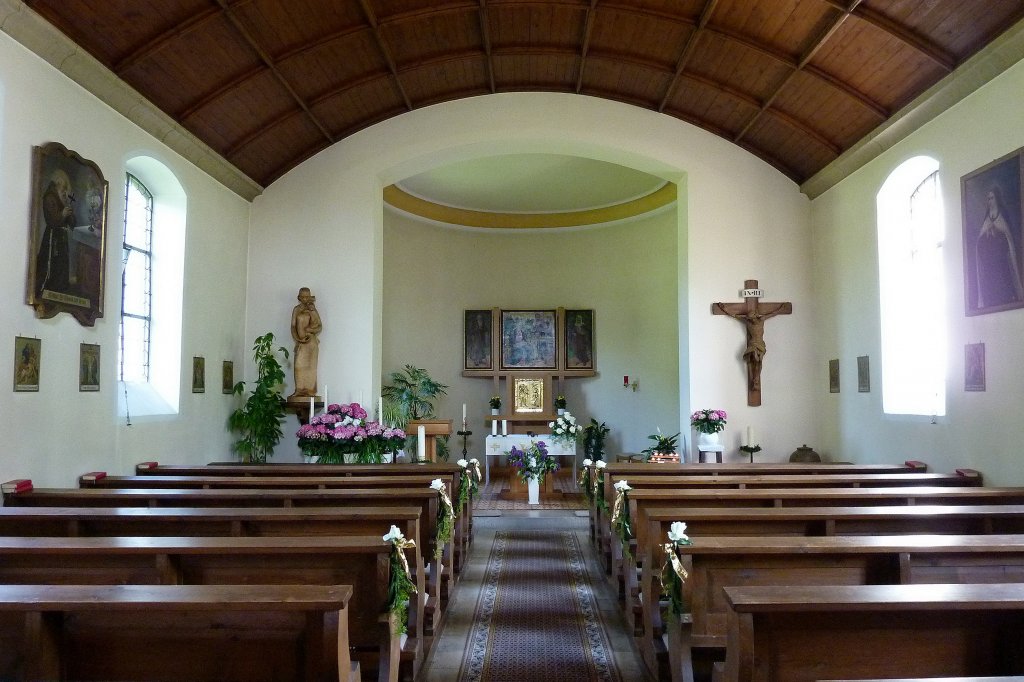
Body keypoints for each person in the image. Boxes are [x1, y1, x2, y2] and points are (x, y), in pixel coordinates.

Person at [714, 302, 789, 392]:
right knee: (754, 357)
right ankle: (755, 378)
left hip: (760, 343)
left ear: (756, 315)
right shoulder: (747, 321)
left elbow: (773, 314)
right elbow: (734, 315)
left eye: (753, 317)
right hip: (753, 343)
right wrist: (724, 309)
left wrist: (781, 308)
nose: (752, 319)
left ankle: (756, 380)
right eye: (750, 318)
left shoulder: (761, 319)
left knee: (758, 361)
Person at [975, 185, 1024, 309]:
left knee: (1004, 280)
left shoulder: (1002, 216)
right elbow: (980, 241)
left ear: (996, 199)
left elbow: (1009, 236)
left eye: (991, 198)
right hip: (990, 261)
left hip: (1002, 258)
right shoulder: (987, 218)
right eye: (988, 199)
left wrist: (998, 230)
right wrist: (987, 232)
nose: (989, 201)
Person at [35, 168, 75, 296]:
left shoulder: (62, 199)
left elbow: (72, 223)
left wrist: (68, 208)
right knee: (52, 263)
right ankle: (50, 288)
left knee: (62, 263)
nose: (64, 191)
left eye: (65, 188)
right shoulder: (50, 197)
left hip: (62, 237)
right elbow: (51, 220)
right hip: (53, 237)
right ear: (57, 184)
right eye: (62, 187)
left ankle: (60, 287)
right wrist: (62, 214)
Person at [289, 287, 322, 399]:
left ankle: (310, 391)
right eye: (302, 296)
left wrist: (310, 330)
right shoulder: (296, 309)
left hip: (311, 342)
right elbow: (293, 326)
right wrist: (298, 338)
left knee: (310, 367)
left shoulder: (312, 310)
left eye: (307, 296)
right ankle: (299, 390)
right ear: (299, 297)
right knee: (299, 365)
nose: (305, 299)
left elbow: (319, 326)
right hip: (301, 342)